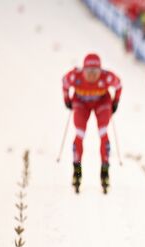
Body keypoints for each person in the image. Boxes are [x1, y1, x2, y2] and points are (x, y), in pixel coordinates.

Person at [62, 53, 122, 193]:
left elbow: (119, 85)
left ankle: (105, 170)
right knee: (80, 133)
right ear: (83, 70)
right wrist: (67, 99)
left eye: (96, 72)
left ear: (100, 70)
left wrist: (115, 102)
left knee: (103, 131)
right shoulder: (75, 76)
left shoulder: (106, 77)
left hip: (102, 101)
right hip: (81, 102)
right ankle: (77, 172)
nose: (92, 75)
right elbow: (64, 83)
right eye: (88, 71)